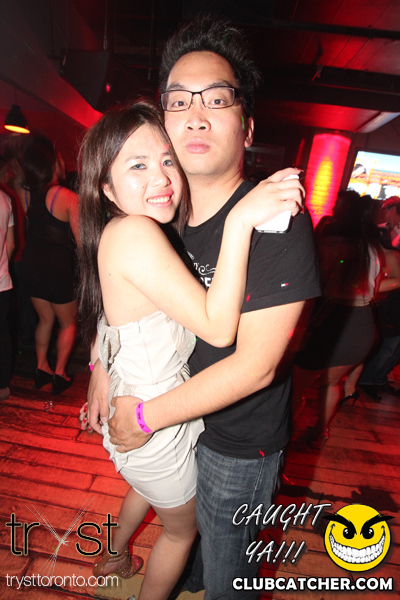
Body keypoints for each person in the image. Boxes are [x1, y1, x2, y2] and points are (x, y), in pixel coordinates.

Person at [83, 17, 320, 599]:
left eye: (217, 99)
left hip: (234, 443)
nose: (195, 115)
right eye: (179, 101)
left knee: (226, 581)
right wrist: (99, 365)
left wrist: (145, 418)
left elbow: (256, 367)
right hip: (174, 424)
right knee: (187, 559)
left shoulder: (275, 220)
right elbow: (121, 296)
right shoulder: (162, 209)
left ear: (247, 127)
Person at [295, 194, 386, 447]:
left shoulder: (330, 246)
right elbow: (375, 290)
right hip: (362, 322)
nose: (333, 209)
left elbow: (311, 286)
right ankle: (321, 431)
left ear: (345, 214)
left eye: (338, 206)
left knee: (298, 384)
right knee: (332, 383)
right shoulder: (374, 250)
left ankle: (284, 437)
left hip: (331, 319)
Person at [12, 135, 79, 395]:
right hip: (57, 268)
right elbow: (82, 243)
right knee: (68, 323)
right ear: (55, 163)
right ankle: (60, 373)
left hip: (32, 265)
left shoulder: (28, 194)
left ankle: (41, 368)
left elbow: (17, 177)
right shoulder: (68, 197)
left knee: (44, 319)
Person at [0, 185, 15, 400]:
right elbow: (10, 244)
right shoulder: (5, 199)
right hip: (2, 282)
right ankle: (2, 385)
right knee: (2, 333)